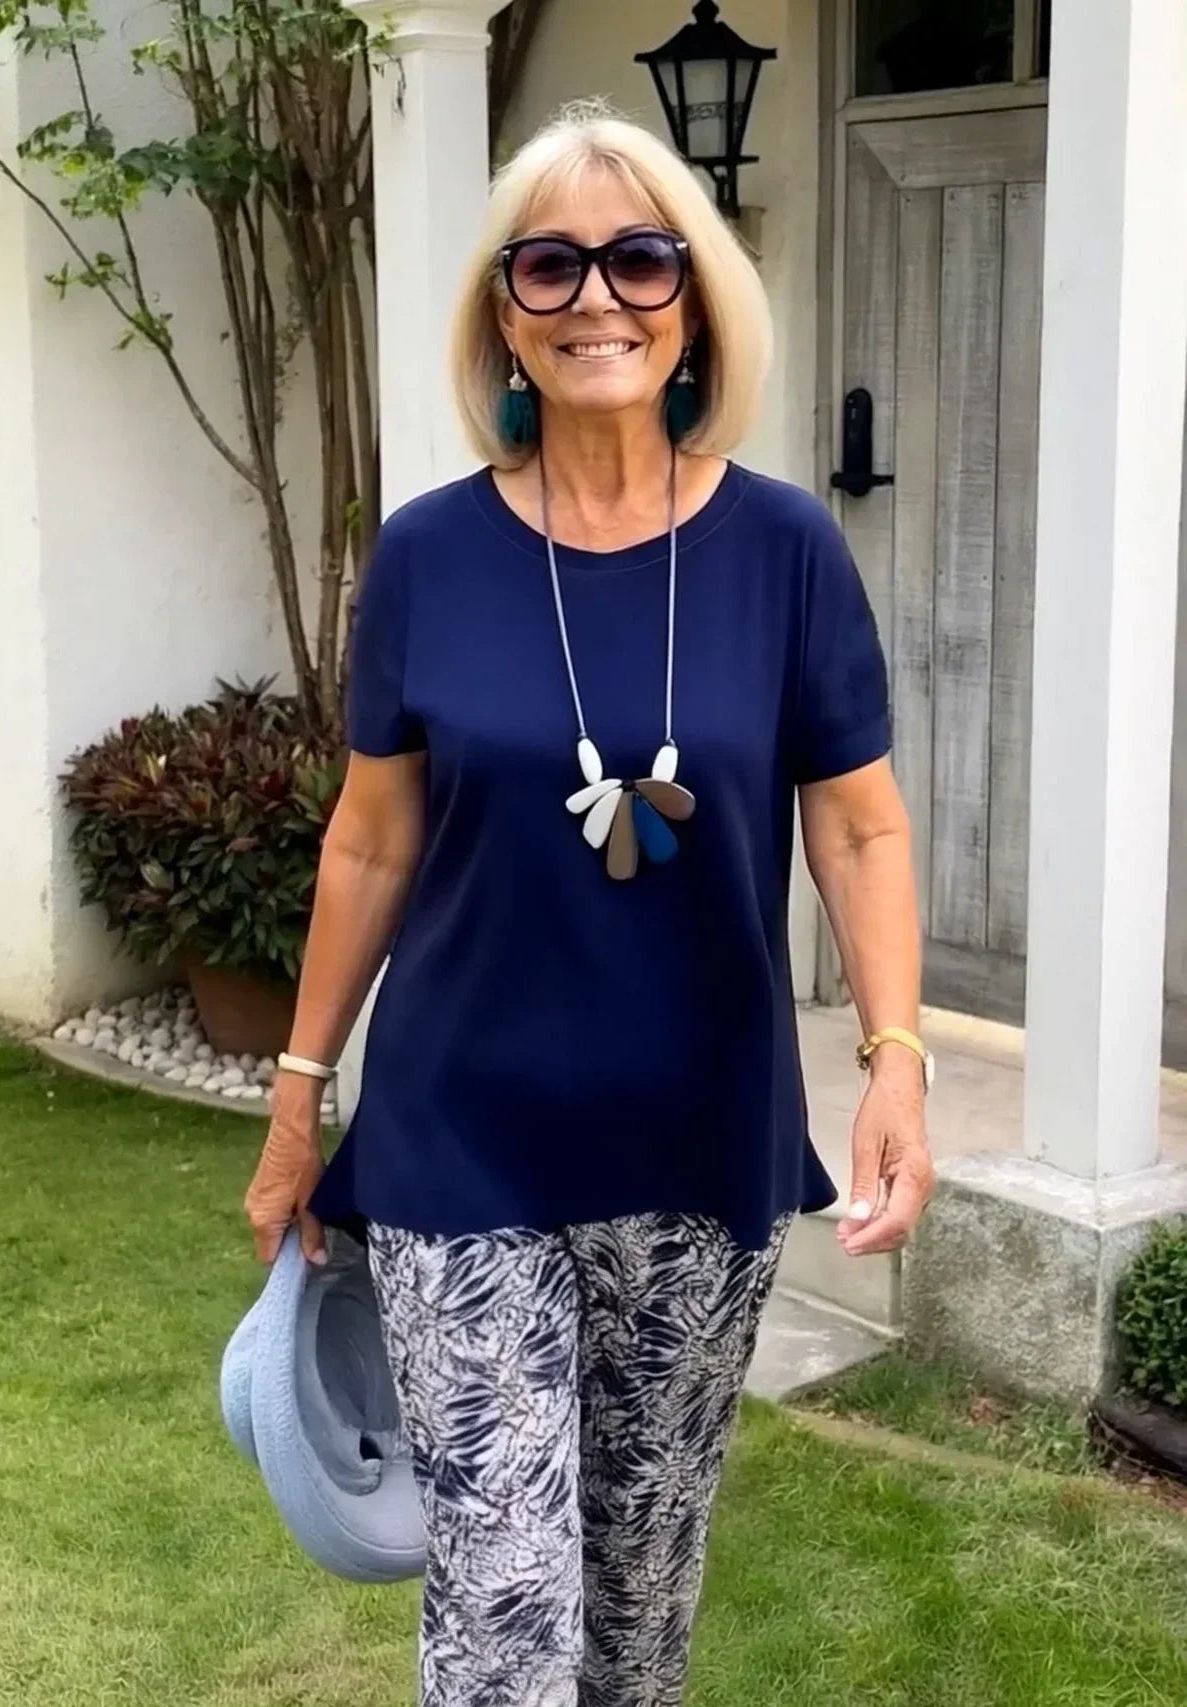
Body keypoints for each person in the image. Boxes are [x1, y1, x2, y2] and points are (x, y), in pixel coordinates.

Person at [244, 105, 934, 1707]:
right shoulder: (427, 557)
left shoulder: (787, 553)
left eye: (639, 260)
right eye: (548, 265)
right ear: (504, 314)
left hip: (699, 1148)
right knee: (505, 1619)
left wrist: (896, 1057)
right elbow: (370, 845)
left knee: (635, 1615)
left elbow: (860, 828)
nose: (596, 298)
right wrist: (296, 1092)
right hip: (460, 1148)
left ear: (695, 305)